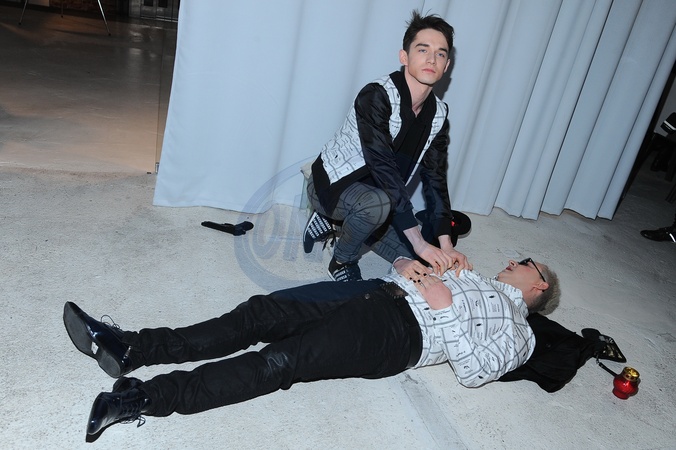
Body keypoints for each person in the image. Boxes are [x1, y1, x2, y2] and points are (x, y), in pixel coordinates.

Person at [63, 256, 559, 438]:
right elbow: (411, 269)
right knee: (259, 313)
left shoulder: (522, 334)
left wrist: (445, 306)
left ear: (539, 286)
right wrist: (408, 266)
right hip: (377, 290)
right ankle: (130, 348)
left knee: (279, 361)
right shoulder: (469, 272)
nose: (514, 261)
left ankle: (141, 398)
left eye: (526, 263)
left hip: (398, 335)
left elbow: (474, 371)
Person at [303, 11, 470, 282]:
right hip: (334, 185)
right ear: (404, 57)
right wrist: (418, 241)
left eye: (440, 54)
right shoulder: (376, 95)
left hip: (383, 195)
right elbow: (383, 167)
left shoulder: (439, 114)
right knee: (385, 213)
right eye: (423, 50)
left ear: (447, 65)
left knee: (418, 257)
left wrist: (446, 245)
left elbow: (436, 179)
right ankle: (342, 259)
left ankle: (336, 223)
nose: (431, 59)